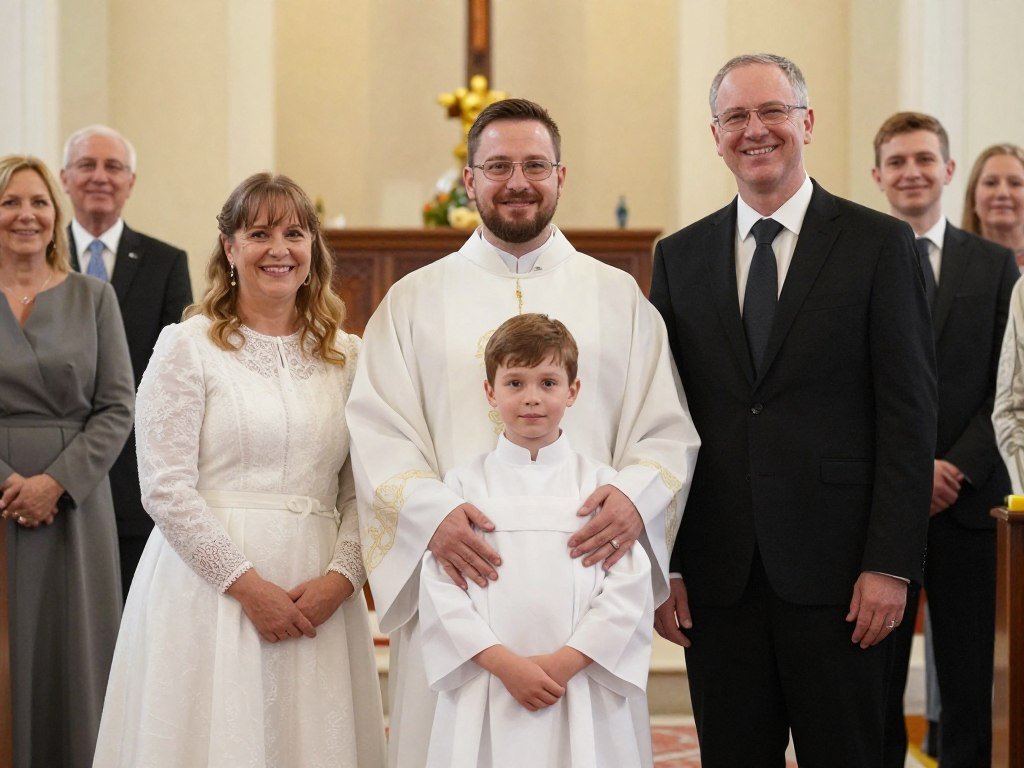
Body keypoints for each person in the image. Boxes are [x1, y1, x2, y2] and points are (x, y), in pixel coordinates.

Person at [346, 97, 699, 768]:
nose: (517, 182)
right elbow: (378, 429)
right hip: (460, 573)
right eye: (499, 165)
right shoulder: (414, 300)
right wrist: (433, 515)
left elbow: (665, 429)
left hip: (588, 582)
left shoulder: (618, 296)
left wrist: (631, 501)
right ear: (470, 180)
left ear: (561, 176)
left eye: (535, 165)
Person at [649, 54, 937, 766]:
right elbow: (664, 419)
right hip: (721, 579)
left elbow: (909, 415)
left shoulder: (878, 244)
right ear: (714, 135)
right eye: (736, 117)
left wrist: (891, 564)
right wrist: (669, 564)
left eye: (772, 111)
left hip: (844, 578)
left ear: (806, 121)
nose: (756, 130)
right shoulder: (678, 258)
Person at [92, 173, 386, 767]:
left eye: (295, 233)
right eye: (260, 233)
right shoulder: (187, 345)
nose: (279, 249)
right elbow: (165, 487)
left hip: (317, 596)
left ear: (313, 251)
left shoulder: (348, 356)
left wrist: (341, 579)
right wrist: (246, 587)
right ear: (229, 248)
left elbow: (365, 488)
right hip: (209, 593)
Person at [419, 313, 655, 767]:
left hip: (579, 682)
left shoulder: (602, 486)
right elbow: (441, 590)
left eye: (548, 383)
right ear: (490, 392)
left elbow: (628, 589)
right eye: (515, 383)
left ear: (573, 390)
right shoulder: (462, 487)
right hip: (487, 682)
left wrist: (565, 662)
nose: (532, 399)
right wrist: (505, 665)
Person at [870, 111, 1016, 768]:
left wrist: (953, 464)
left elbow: (1007, 388)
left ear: (948, 171)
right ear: (877, 176)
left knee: (968, 686)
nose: (912, 172)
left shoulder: (994, 267)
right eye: (897, 161)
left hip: (969, 505)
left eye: (924, 159)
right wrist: (907, 470)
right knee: (874, 687)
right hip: (879, 509)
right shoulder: (856, 260)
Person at [0, 155, 134, 768]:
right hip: (1, 500)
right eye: (9, 203)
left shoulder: (94, 297)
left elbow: (116, 407)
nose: (25, 215)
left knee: (74, 657)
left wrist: (56, 482)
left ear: (57, 216)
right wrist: (9, 483)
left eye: (37, 202)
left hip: (76, 506)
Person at [60, 125, 193, 595]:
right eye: (86, 165)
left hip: (133, 481)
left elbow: (176, 375)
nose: (100, 177)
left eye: (113, 166)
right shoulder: (36, 257)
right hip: (48, 466)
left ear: (130, 182)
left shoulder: (165, 262)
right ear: (64, 178)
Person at [961, 143, 1024, 272]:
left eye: (1015, 183)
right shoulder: (951, 264)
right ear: (973, 198)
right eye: (990, 183)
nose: (1002, 193)